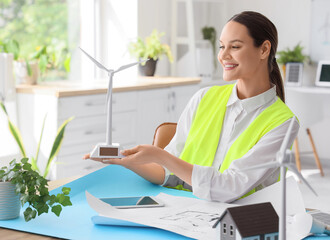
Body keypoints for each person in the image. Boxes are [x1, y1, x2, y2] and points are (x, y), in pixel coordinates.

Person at [84, 11, 299, 203]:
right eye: (222, 46)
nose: (223, 56)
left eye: (234, 47)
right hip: (187, 213)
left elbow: (229, 187)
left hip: (240, 223)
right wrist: (124, 160)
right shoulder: (204, 98)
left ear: (264, 50)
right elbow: (169, 172)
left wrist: (160, 155)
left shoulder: (283, 123)